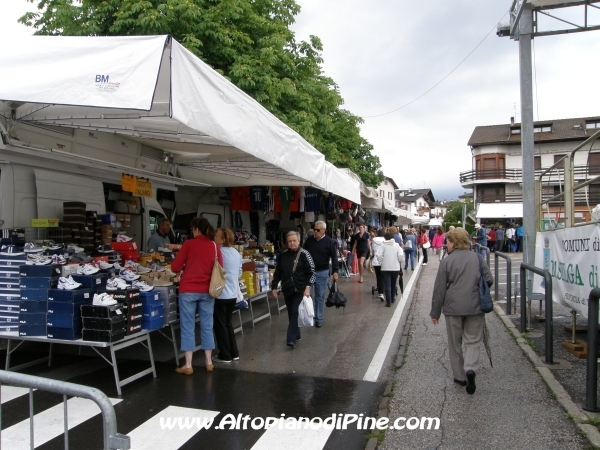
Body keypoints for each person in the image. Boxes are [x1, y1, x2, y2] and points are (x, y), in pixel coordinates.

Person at [430, 227, 493, 395]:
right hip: (475, 306)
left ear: (453, 242)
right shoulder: (478, 258)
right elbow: (489, 279)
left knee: (455, 343)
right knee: (473, 341)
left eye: (448, 242)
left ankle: (460, 376)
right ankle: (470, 368)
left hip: (453, 307)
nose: (447, 245)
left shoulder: (446, 262)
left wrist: (435, 313)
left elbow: (439, 290)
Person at [171, 217, 222, 374]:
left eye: (192, 229)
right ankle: (208, 362)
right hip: (208, 291)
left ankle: (188, 364)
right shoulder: (214, 246)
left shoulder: (188, 244)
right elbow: (221, 266)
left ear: (195, 228)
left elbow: (175, 267)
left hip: (188, 290)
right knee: (207, 325)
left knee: (188, 326)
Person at [271, 231, 316, 348]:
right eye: (289, 241)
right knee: (292, 313)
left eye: (294, 241)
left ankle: (291, 339)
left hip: (300, 290)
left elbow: (312, 273)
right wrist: (274, 286)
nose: (292, 243)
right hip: (287, 290)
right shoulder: (283, 255)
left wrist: (307, 287)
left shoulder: (304, 254)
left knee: (295, 312)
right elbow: (278, 272)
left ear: (299, 241)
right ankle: (297, 334)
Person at [212, 227, 242, 363]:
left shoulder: (218, 253)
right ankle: (234, 352)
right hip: (233, 294)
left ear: (223, 239)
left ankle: (224, 354)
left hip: (220, 293)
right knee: (228, 323)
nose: (214, 238)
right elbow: (240, 273)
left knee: (220, 325)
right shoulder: (236, 253)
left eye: (216, 236)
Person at [303, 221, 339, 328]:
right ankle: (309, 317)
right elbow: (303, 254)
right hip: (309, 273)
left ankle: (318, 318)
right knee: (308, 296)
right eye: (314, 229)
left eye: (318, 230)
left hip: (322, 273)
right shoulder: (309, 240)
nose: (315, 232)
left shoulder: (328, 241)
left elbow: (334, 257)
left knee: (320, 296)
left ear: (323, 230)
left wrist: (335, 271)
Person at [376, 232, 404, 307]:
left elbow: (378, 255)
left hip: (385, 268)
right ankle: (392, 298)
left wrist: (381, 262)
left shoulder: (383, 246)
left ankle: (388, 302)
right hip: (395, 268)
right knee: (393, 283)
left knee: (387, 284)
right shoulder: (397, 245)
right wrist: (400, 261)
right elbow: (401, 256)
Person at [370, 229, 386, 301]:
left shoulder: (374, 241)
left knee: (378, 277)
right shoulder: (385, 241)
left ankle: (380, 293)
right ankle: (384, 290)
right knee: (384, 276)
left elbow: (373, 251)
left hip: (376, 261)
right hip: (383, 261)